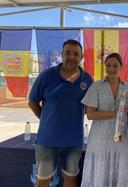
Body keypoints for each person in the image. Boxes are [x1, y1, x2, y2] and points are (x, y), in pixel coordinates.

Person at [28, 39, 93, 187]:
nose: (72, 57)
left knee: (70, 179)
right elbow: (32, 102)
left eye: (76, 54)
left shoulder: (87, 80)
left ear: (81, 57)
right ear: (62, 55)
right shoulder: (46, 76)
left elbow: (90, 108)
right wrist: (45, 119)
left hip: (73, 141)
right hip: (47, 141)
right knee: (43, 180)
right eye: (68, 53)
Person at [80, 53, 128, 187]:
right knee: (99, 174)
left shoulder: (127, 88)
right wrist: (116, 113)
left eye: (115, 65)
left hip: (121, 141)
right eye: (108, 65)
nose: (111, 68)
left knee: (119, 174)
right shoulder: (96, 86)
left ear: (121, 67)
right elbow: (90, 114)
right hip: (99, 140)